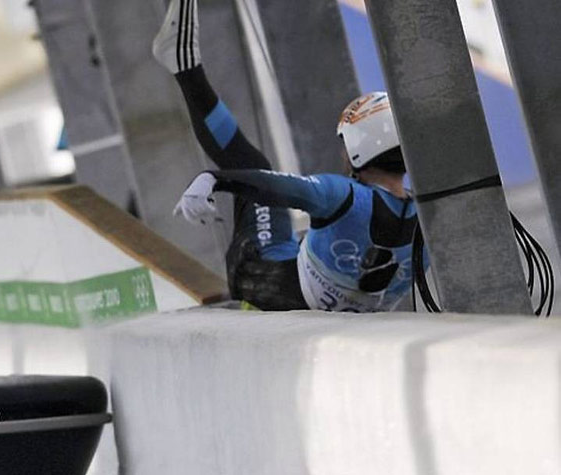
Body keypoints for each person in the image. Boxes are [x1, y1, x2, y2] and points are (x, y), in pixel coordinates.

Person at [152, 0, 419, 312]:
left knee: (253, 166)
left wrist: (214, 179)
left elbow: (274, 186)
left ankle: (186, 68)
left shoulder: (345, 196)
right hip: (333, 309)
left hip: (261, 279)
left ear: (359, 149)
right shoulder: (425, 216)